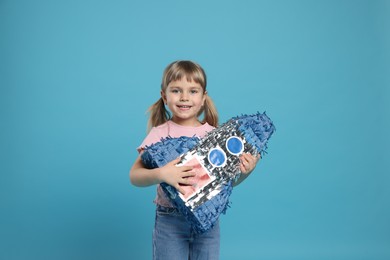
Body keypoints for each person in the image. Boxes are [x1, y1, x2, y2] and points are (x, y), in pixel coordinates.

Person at [129, 60, 260, 260]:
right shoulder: (159, 134)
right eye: (176, 91)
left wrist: (245, 172)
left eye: (193, 91)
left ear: (203, 98)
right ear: (164, 96)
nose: (184, 97)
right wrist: (162, 174)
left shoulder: (215, 136)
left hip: (208, 221)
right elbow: (135, 176)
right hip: (170, 220)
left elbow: (226, 184)